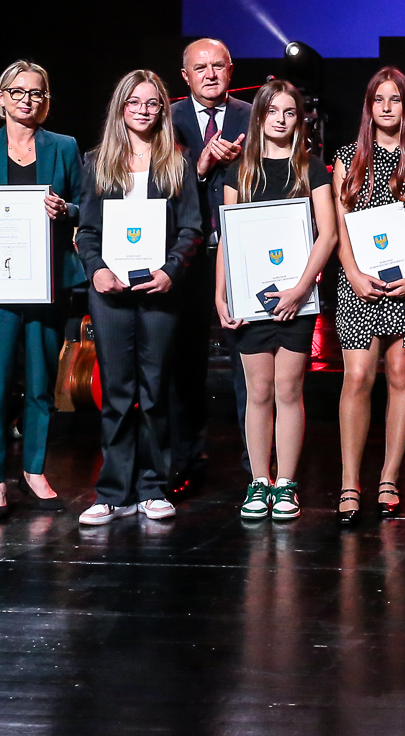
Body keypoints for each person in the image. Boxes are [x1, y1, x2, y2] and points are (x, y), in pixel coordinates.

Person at [0, 61, 84, 520]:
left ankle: (34, 469)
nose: (28, 100)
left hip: (46, 282)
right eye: (18, 92)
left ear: (46, 100)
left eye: (37, 93)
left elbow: (85, 206)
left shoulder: (64, 147)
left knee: (42, 382)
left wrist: (67, 210)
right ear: (2, 98)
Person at [74, 70, 205, 527]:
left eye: (152, 103)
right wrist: (97, 270)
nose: (144, 110)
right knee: (116, 392)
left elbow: (192, 229)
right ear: (121, 108)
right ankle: (112, 493)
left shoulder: (178, 163)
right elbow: (86, 232)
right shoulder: (97, 162)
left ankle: (152, 487)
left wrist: (171, 272)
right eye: (135, 102)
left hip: (159, 292)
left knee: (155, 390)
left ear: (162, 110)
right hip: (110, 293)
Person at [214, 78, 337, 523]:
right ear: (259, 117)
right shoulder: (240, 172)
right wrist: (221, 294)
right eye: (272, 112)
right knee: (258, 392)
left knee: (288, 390)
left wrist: (302, 288)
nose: (281, 120)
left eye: (289, 112)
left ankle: (285, 483)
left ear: (299, 119)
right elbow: (228, 237)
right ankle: (258, 482)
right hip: (251, 300)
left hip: (296, 300)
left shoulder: (312, 168)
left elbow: (328, 234)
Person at [330, 68, 405, 524]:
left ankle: (389, 478)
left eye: (395, 99)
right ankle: (349, 482)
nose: (386, 107)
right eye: (379, 99)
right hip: (359, 284)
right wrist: (353, 274)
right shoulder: (347, 157)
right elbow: (339, 226)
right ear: (369, 106)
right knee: (357, 376)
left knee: (400, 373)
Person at [169, 37, 253, 486]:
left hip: (241, 253)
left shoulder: (254, 116)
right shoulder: (166, 118)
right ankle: (184, 460)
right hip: (186, 257)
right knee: (184, 362)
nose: (210, 74)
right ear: (185, 76)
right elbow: (156, 187)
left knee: (249, 363)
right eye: (200, 68)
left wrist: (244, 166)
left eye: (217, 66)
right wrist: (197, 168)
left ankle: (257, 465)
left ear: (230, 70)